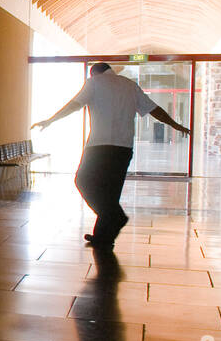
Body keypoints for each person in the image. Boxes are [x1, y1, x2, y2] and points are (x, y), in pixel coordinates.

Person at [32, 62, 190, 246]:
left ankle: (116, 217)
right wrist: (175, 125)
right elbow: (154, 109)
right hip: (123, 148)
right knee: (111, 193)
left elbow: (74, 105)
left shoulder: (93, 83)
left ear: (95, 73)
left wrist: (51, 119)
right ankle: (103, 237)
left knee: (83, 181)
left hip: (98, 146)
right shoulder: (130, 85)